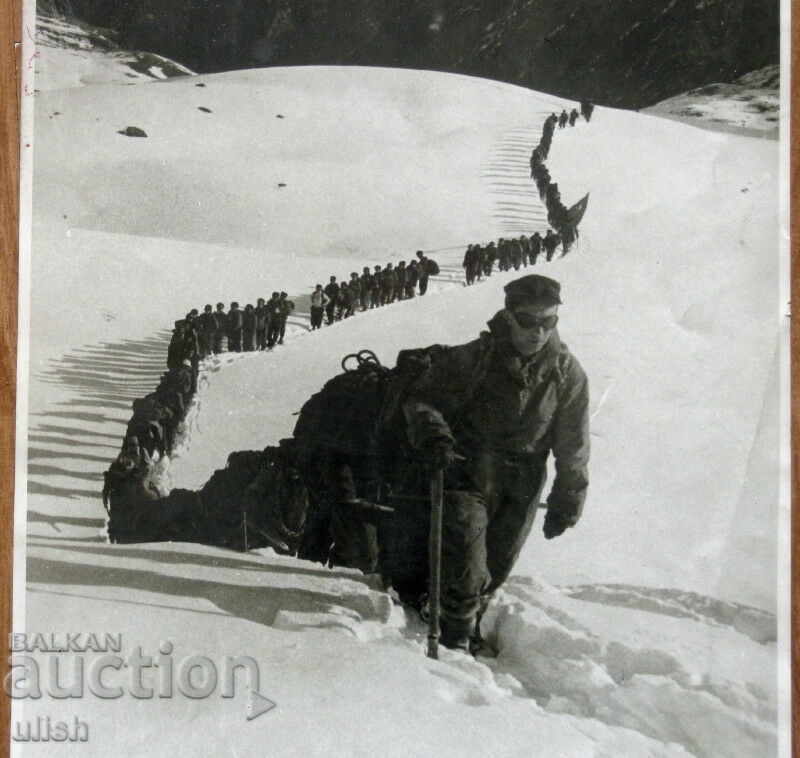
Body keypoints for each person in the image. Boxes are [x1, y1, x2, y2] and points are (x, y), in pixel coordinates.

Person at [386, 274, 590, 651]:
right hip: (468, 468)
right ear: (509, 316)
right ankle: (456, 645)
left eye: (549, 321)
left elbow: (573, 443)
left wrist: (568, 497)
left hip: (525, 478)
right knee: (467, 563)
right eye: (528, 320)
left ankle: (464, 623)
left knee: (497, 566)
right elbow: (421, 399)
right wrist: (434, 435)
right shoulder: (473, 358)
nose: (538, 331)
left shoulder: (567, 373)